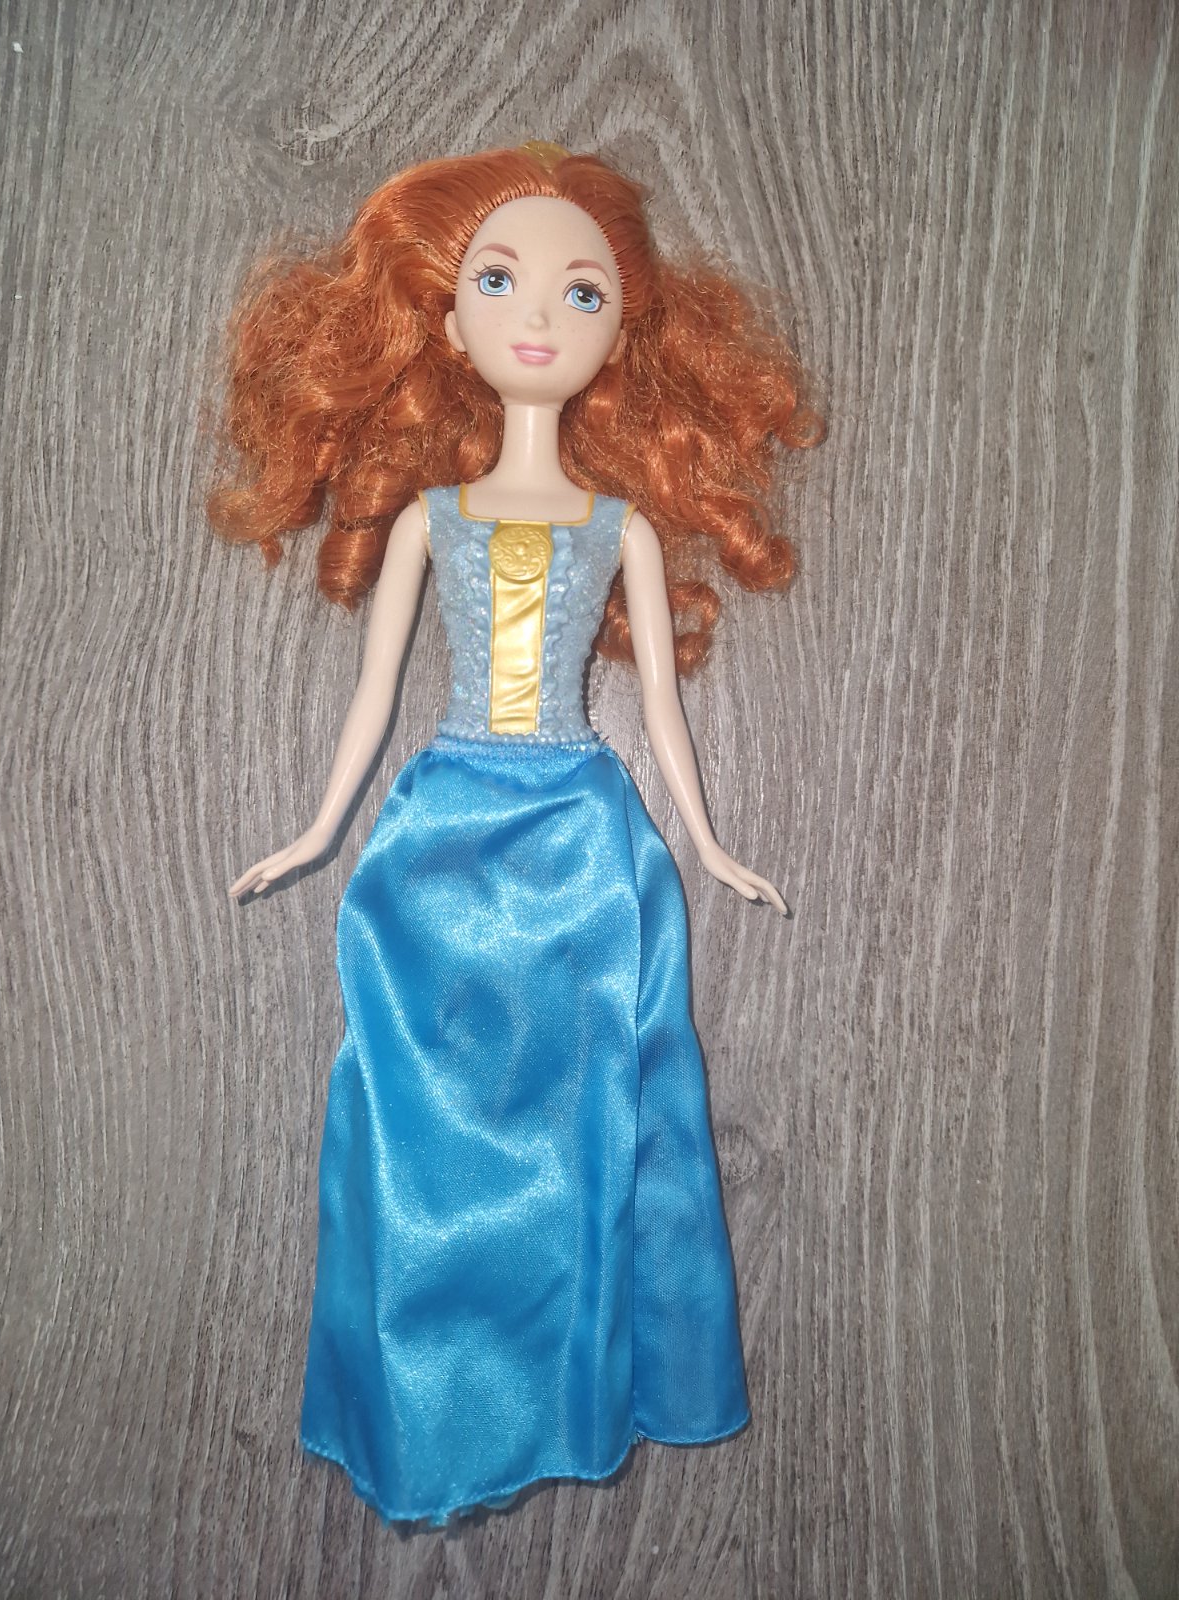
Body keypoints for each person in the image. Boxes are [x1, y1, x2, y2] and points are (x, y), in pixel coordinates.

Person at [213, 141, 822, 1524]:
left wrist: (708, 842)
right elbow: (376, 697)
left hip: (586, 847)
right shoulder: (431, 522)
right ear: (445, 322)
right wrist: (316, 829)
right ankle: (424, 1395)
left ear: (622, 338)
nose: (540, 314)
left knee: (598, 1117)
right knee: (409, 1114)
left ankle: (578, 1378)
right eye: (499, 281)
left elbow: (659, 712)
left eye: (582, 292)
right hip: (438, 835)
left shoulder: (624, 529)